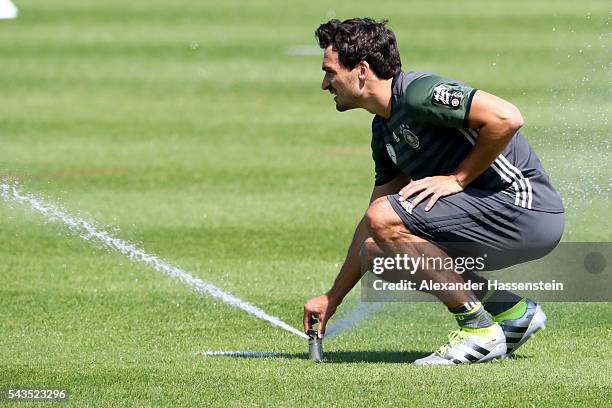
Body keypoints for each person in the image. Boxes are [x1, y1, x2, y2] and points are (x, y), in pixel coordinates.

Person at [302, 18, 564, 365]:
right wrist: (332, 297)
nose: (325, 83)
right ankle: (511, 310)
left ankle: (477, 331)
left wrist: (458, 178)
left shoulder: (418, 92)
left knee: (385, 220)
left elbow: (507, 117)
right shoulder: (383, 130)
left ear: (361, 70)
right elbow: (374, 224)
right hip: (496, 216)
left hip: (526, 211)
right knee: (377, 252)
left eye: (330, 71)